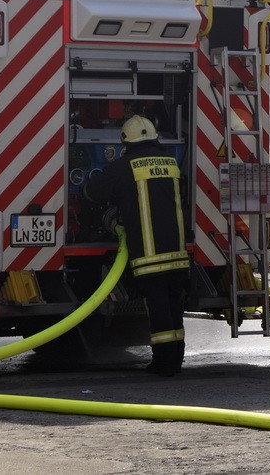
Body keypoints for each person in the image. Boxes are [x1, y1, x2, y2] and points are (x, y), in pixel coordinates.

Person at [84, 115, 189, 377]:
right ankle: (176, 359)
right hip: (178, 254)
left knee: (159, 308)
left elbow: (94, 191)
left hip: (149, 256)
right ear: (154, 137)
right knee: (175, 307)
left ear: (126, 142)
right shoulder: (171, 163)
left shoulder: (125, 166)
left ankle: (164, 364)